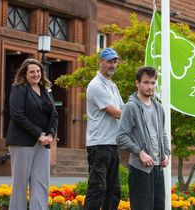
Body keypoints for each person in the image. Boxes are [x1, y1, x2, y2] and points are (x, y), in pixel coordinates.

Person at [6, 58, 58, 210]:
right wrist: (38, 134)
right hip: (22, 142)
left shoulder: (46, 91)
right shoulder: (19, 89)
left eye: (38, 71)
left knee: (41, 183)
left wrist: (50, 135)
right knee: (20, 185)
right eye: (32, 72)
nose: (36, 74)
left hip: (44, 143)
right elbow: (17, 115)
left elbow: (54, 115)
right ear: (25, 74)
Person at [117, 66, 170, 210]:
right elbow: (121, 136)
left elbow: (163, 133)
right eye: (146, 82)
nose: (150, 86)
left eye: (153, 83)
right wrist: (140, 152)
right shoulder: (131, 107)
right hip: (140, 169)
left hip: (158, 168)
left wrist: (166, 153)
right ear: (137, 83)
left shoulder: (159, 107)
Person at [84, 47, 124, 210]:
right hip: (99, 145)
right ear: (101, 62)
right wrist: (139, 115)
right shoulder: (95, 85)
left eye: (115, 62)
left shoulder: (112, 85)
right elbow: (115, 112)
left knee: (114, 191)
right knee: (97, 189)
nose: (112, 65)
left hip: (112, 144)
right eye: (109, 61)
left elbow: (123, 108)